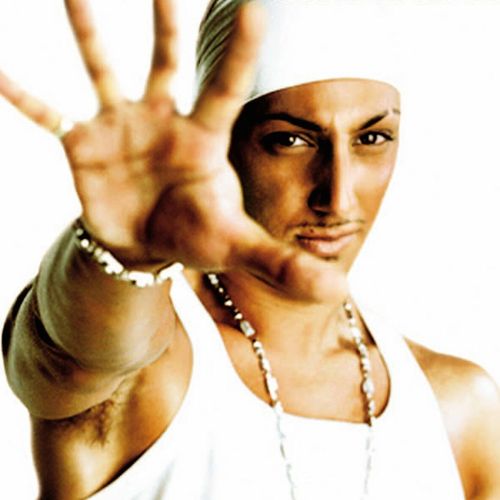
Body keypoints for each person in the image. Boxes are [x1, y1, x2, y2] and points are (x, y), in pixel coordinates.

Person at [1, 0, 499, 499]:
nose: (339, 197)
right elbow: (63, 359)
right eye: (291, 140)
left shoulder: (457, 409)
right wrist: (122, 250)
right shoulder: (150, 372)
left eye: (372, 137)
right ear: (222, 145)